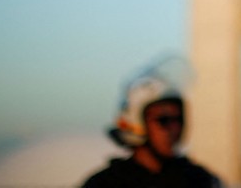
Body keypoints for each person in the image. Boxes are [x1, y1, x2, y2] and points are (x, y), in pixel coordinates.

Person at [82, 64, 221, 188]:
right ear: (137, 123)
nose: (174, 128)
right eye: (163, 120)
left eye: (178, 119)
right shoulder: (105, 184)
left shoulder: (199, 180)